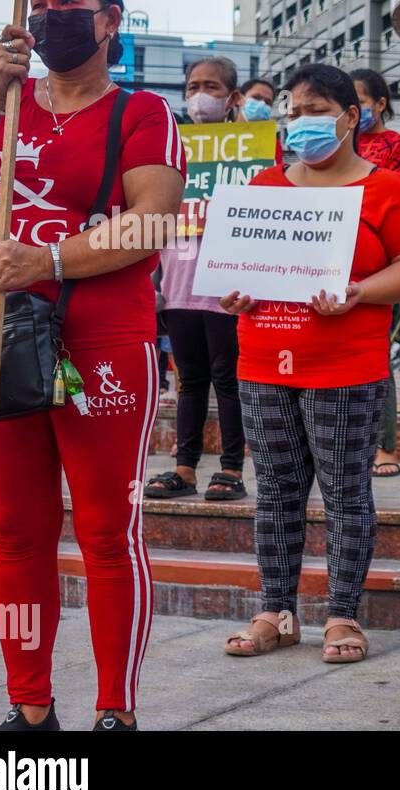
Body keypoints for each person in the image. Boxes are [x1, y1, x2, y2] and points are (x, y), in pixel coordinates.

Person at [0, 0, 186, 730]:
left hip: (102, 339)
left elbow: (150, 222)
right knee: (15, 530)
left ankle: (116, 709)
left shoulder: (141, 113)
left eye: (67, 5)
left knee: (109, 530)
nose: (50, 17)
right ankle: (30, 703)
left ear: (109, 21)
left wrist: (45, 258)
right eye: (38, 5)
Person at [220, 64, 400, 664]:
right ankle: (276, 611)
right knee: (277, 492)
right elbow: (235, 274)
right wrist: (233, 293)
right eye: (293, 112)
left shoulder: (386, 189)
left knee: (344, 493)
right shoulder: (263, 189)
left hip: (345, 368)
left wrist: (360, 291)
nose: (300, 124)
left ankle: (343, 616)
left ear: (350, 117)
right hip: (263, 364)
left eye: (314, 111)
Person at [144, 56, 248, 503]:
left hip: (226, 289)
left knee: (227, 380)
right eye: (191, 87)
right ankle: (184, 467)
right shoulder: (173, 149)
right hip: (179, 286)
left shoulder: (250, 152)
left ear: (232, 98)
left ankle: (231, 468)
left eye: (210, 86)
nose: (199, 96)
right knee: (189, 381)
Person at [351, 67, 400, 479]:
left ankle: (384, 448)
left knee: (377, 352)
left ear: (380, 104)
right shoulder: (335, 143)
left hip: (377, 261)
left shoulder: (398, 145)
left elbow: (394, 196)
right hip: (326, 257)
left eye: (361, 100)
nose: (355, 109)